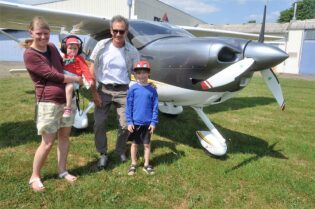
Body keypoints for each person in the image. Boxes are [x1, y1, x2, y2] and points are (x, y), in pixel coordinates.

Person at [23, 16, 82, 191]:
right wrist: (74, 78)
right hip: (48, 102)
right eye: (39, 33)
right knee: (47, 142)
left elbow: (61, 65)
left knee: (64, 137)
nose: (43, 37)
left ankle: (62, 171)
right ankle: (34, 176)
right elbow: (51, 75)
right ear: (31, 33)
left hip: (66, 102)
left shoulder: (52, 47)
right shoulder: (30, 55)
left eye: (46, 34)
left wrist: (76, 63)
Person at [89, 15, 140, 168]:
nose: (118, 34)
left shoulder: (132, 50)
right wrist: (94, 92)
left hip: (123, 91)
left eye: (122, 31)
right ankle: (103, 153)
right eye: (115, 31)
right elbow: (91, 68)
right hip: (103, 89)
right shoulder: (101, 45)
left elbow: (138, 72)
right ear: (110, 31)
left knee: (126, 125)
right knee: (99, 123)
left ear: (126, 31)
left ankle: (120, 150)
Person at [125, 60, 158, 175]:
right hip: (135, 123)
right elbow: (128, 106)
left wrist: (153, 122)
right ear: (135, 74)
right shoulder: (133, 89)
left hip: (147, 124)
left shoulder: (153, 90)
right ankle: (133, 164)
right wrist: (129, 122)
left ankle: (146, 164)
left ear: (149, 73)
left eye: (144, 72)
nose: (142, 75)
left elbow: (155, 107)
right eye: (139, 73)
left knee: (147, 145)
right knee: (134, 144)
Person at [62, 35, 94, 117]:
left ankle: (68, 108)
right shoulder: (63, 58)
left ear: (79, 49)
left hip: (75, 80)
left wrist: (89, 79)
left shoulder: (79, 59)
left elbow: (85, 69)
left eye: (75, 48)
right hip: (64, 78)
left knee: (69, 88)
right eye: (70, 48)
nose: (72, 50)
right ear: (65, 48)